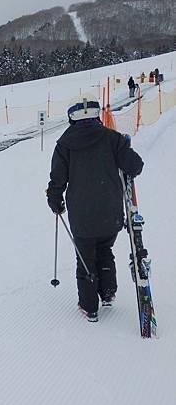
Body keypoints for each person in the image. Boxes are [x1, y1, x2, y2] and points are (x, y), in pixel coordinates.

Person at [46, 97, 144, 322]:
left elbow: (57, 179)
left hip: (82, 216)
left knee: (85, 257)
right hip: (111, 213)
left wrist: (55, 200)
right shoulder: (112, 139)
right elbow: (135, 166)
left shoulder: (64, 144)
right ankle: (108, 293)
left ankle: (89, 306)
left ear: (73, 117)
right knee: (104, 250)